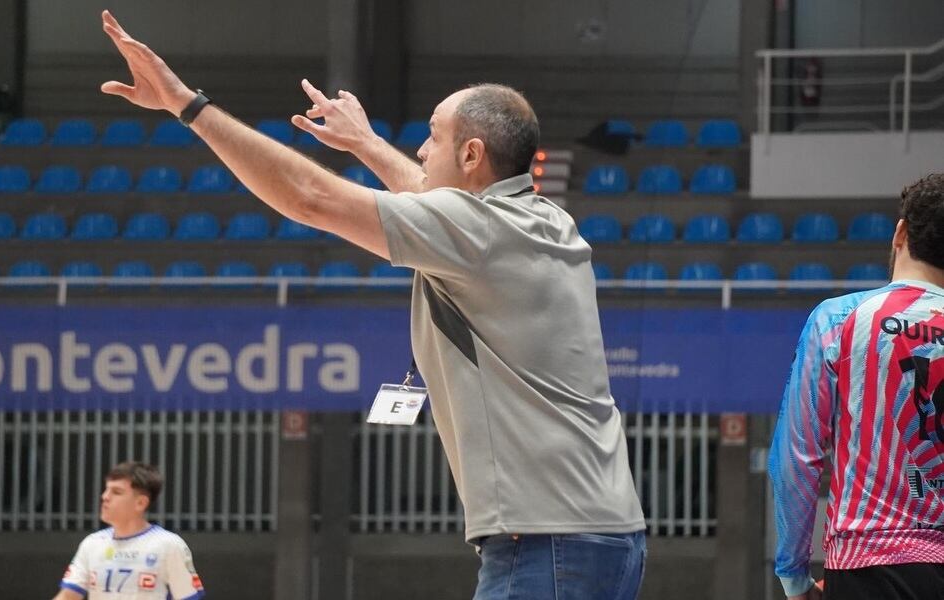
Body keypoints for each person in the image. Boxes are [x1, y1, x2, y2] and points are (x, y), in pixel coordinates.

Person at [99, 10, 645, 599]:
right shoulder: (541, 219)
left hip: (546, 540)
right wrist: (364, 143)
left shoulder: (477, 230)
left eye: (434, 135)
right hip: (606, 533)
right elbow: (429, 195)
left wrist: (186, 105)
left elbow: (311, 197)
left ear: (472, 156)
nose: (420, 147)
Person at [769, 174, 944, 600]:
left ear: (900, 233)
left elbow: (798, 457)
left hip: (868, 562)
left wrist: (793, 574)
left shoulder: (838, 319)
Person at [53, 461, 204, 599]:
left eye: (116, 492)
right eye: (106, 490)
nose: (105, 496)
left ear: (140, 503)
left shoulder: (168, 545)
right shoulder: (92, 544)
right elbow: (68, 596)